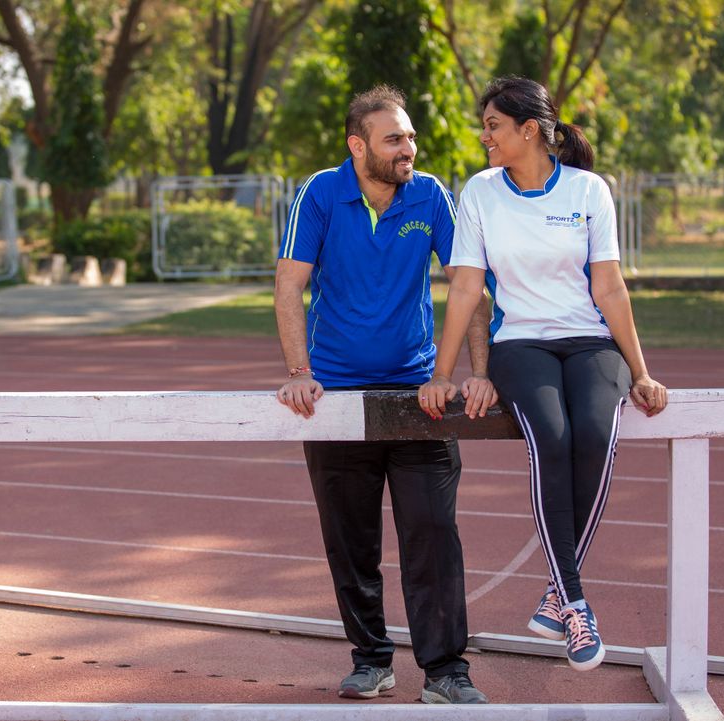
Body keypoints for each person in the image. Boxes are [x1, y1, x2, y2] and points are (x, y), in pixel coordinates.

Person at [418, 76, 668, 673]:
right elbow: (467, 289)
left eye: (494, 127)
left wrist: (642, 371)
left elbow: (608, 286)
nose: (485, 137)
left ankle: (557, 591)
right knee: (552, 437)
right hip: (521, 343)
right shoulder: (479, 192)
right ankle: (575, 602)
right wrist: (441, 373)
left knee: (596, 433)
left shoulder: (589, 190)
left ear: (529, 130)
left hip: (591, 344)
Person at [274, 85, 495, 705]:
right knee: (351, 542)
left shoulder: (430, 194)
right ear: (358, 145)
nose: (409, 148)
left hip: (417, 400)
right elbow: (290, 286)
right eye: (395, 138)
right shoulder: (319, 193)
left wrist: (472, 371)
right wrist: (299, 370)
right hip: (338, 401)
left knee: (431, 534)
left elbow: (467, 284)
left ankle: (447, 672)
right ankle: (371, 659)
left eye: (411, 137)